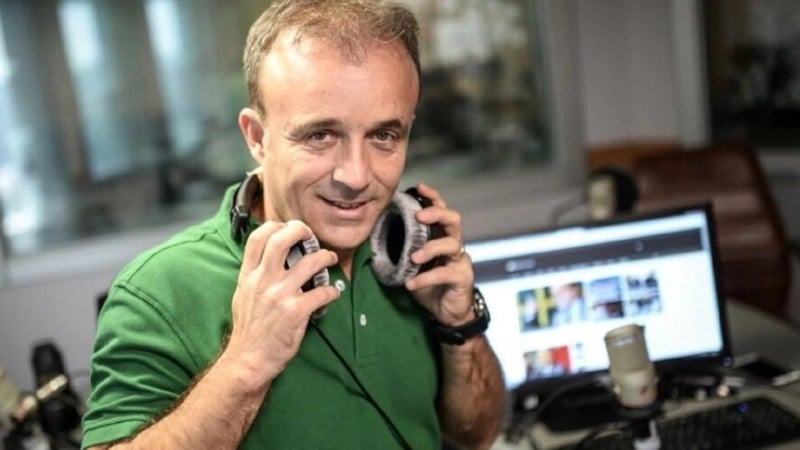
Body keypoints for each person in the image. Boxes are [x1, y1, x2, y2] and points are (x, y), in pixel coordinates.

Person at [80, 1, 505, 449]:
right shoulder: (158, 291)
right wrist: (247, 362)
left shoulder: (411, 256)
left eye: (384, 135)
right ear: (257, 138)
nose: (356, 176)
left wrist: (459, 327)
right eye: (321, 135)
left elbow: (477, 434)